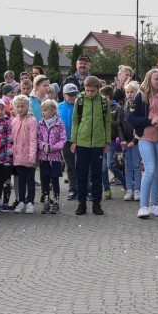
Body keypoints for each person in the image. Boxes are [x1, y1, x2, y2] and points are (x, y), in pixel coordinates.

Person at [69, 76, 112, 216]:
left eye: (92, 91)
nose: (89, 93)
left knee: (96, 174)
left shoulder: (104, 101)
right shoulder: (80, 100)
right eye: (87, 90)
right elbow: (75, 120)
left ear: (98, 89)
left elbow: (107, 122)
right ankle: (81, 203)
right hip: (82, 142)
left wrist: (107, 141)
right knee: (81, 174)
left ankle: (96, 204)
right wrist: (74, 140)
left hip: (98, 143)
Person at [128, 70, 158, 218]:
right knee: (150, 169)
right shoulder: (141, 96)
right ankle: (143, 207)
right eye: (156, 79)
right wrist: (150, 121)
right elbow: (131, 118)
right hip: (145, 137)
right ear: (149, 80)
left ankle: (153, 205)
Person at [10, 94, 39, 214]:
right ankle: (21, 201)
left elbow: (33, 140)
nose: (20, 109)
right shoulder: (14, 120)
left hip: (28, 156)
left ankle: (30, 202)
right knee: (21, 180)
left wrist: (32, 157)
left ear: (28, 106)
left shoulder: (32, 120)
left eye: (22, 106)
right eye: (17, 106)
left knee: (30, 179)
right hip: (18, 156)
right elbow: (12, 140)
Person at [38, 99, 66, 214]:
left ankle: (56, 202)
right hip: (43, 157)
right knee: (44, 179)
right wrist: (44, 146)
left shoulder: (59, 124)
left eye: (45, 110)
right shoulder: (40, 124)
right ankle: (46, 202)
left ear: (53, 110)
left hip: (55, 158)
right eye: (42, 110)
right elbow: (38, 139)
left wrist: (53, 147)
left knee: (54, 179)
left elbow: (63, 140)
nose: (43, 112)